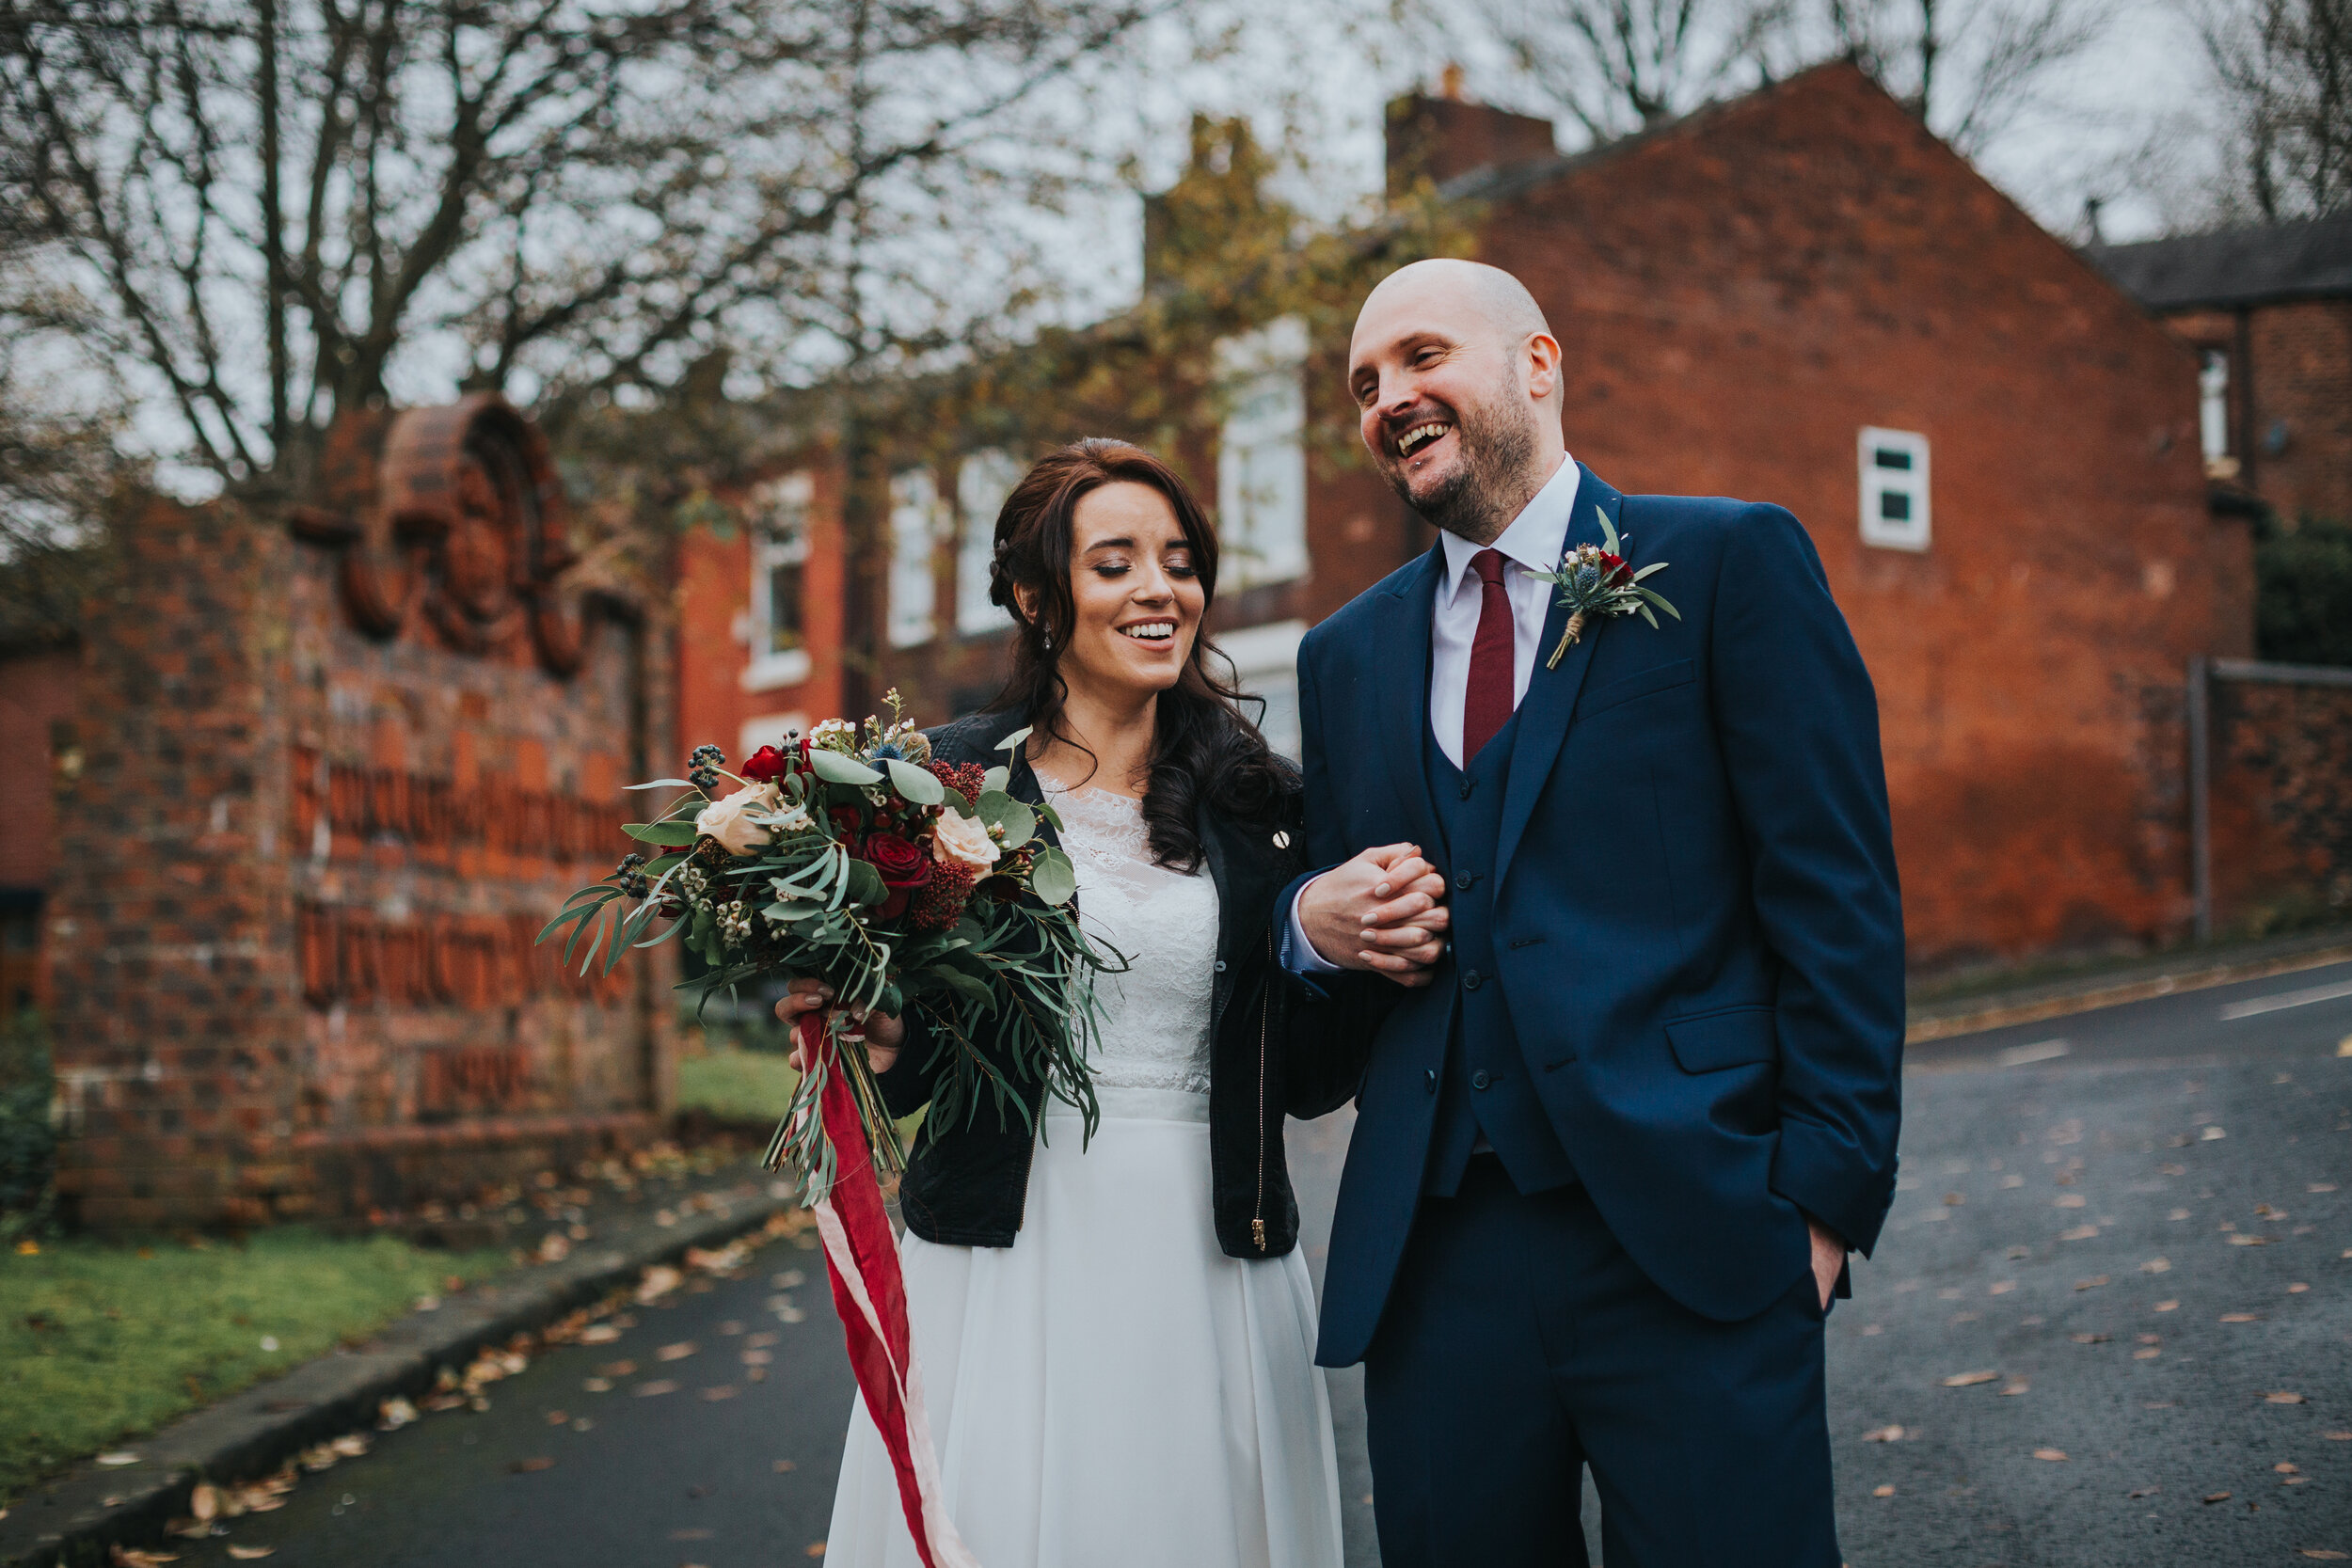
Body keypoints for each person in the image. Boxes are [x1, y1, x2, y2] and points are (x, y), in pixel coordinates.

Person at [1279, 259, 1906, 1567]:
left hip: (1698, 1231)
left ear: (1539, 364)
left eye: (1422, 356)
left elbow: (1835, 894)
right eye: (1365, 381)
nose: (1389, 396)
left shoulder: (1728, 562)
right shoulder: (1345, 655)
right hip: (1439, 1263)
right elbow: (1329, 1024)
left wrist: (1824, 1204)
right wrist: (1310, 927)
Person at [794, 437, 1445, 1568]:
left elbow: (1306, 1078)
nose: (1161, 590)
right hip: (1004, 1253)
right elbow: (920, 1059)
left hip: (1210, 1255)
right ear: (1042, 600)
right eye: (1115, 564)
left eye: (1179, 559)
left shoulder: (1266, 800)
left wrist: (1330, 947)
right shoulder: (946, 786)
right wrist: (876, 1024)